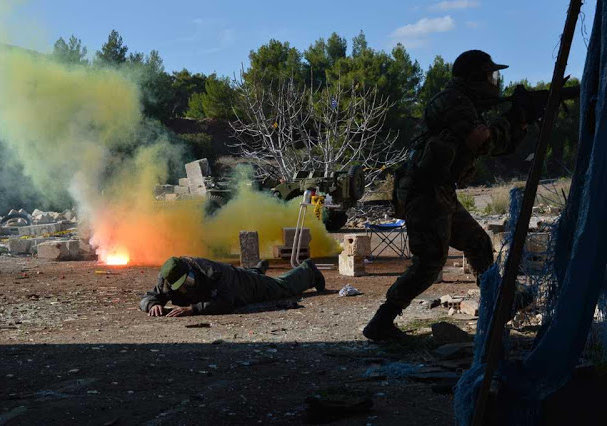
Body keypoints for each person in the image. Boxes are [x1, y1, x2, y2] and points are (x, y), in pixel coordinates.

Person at [363, 50, 528, 341]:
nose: (494, 82)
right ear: (476, 78)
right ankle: (382, 322)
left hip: (438, 190)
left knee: (477, 243)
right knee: (429, 261)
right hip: (425, 190)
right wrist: (515, 119)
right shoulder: (454, 104)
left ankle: (499, 304)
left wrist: (517, 119)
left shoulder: (464, 102)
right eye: (489, 76)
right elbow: (485, 143)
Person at [140, 257, 325, 317]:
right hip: (234, 278)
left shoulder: (212, 273)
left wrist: (193, 309)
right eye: (178, 287)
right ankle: (255, 271)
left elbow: (226, 302)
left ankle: (308, 270)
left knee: (279, 288)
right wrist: (152, 305)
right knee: (254, 278)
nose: (182, 290)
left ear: (190, 272)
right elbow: (148, 298)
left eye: (185, 284)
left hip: (237, 283)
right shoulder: (168, 277)